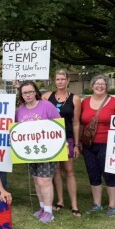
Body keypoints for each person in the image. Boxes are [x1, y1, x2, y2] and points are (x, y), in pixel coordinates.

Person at [80, 74, 115, 217]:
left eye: (103, 84)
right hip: (89, 144)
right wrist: (79, 142)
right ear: (92, 86)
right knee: (93, 174)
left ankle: (112, 206)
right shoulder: (85, 102)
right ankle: (97, 204)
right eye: (97, 83)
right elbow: (81, 123)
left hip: (108, 144)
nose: (100, 86)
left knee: (109, 174)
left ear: (107, 86)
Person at [16, 81, 61, 223]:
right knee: (36, 179)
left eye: (30, 92)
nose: (28, 95)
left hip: (47, 150)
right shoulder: (20, 110)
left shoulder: (46, 106)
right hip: (30, 152)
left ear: (35, 91)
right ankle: (42, 207)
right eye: (24, 93)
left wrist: (63, 142)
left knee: (45, 180)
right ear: (21, 95)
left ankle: (49, 211)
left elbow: (58, 125)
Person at [42, 69, 82, 217]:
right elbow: (30, 99)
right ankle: (60, 200)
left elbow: (76, 122)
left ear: (67, 81)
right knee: (56, 171)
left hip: (68, 138)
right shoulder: (47, 97)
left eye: (62, 79)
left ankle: (74, 205)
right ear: (55, 81)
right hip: (52, 139)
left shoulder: (75, 99)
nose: (60, 82)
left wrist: (77, 144)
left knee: (69, 171)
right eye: (57, 79)